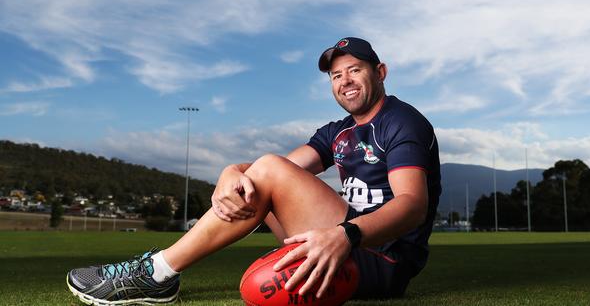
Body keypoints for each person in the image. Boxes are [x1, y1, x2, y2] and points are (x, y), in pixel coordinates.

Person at [66, 37, 442, 305]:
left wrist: (344, 235)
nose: (344, 81)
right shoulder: (338, 131)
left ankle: (157, 273)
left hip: (382, 257)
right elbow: (279, 170)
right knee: (258, 173)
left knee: (268, 169)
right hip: (344, 243)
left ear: (380, 72)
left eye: (354, 70)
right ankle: (160, 271)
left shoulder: (402, 122)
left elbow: (412, 206)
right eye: (335, 76)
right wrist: (233, 170)